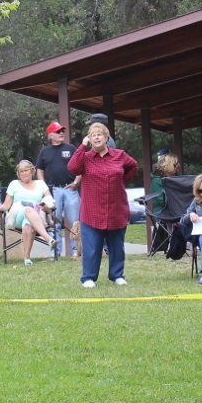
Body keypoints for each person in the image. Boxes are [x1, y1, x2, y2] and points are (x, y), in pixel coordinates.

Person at [69, 122, 138, 287]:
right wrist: (83, 145)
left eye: (100, 134)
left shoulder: (119, 155)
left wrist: (121, 181)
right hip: (92, 211)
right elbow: (72, 167)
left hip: (116, 208)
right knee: (91, 247)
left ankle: (117, 275)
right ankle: (88, 278)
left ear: (107, 138)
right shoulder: (85, 158)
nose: (96, 137)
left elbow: (133, 166)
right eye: (93, 135)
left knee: (116, 246)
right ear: (90, 139)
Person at [0, 160, 57, 266]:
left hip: (36, 217)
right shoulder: (14, 184)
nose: (24, 173)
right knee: (28, 210)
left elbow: (49, 200)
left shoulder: (40, 184)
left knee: (28, 224)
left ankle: (27, 258)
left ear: (32, 171)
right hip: (17, 214)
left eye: (26, 170)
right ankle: (48, 238)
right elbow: (7, 204)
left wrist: (46, 205)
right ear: (18, 173)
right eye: (21, 171)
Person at [35, 122, 81, 258]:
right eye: (58, 131)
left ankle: (76, 250)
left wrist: (76, 183)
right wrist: (44, 188)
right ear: (50, 135)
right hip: (53, 191)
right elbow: (39, 170)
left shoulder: (71, 148)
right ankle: (55, 252)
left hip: (70, 189)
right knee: (54, 222)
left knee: (75, 222)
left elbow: (80, 166)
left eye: (62, 131)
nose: (61, 133)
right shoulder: (44, 151)